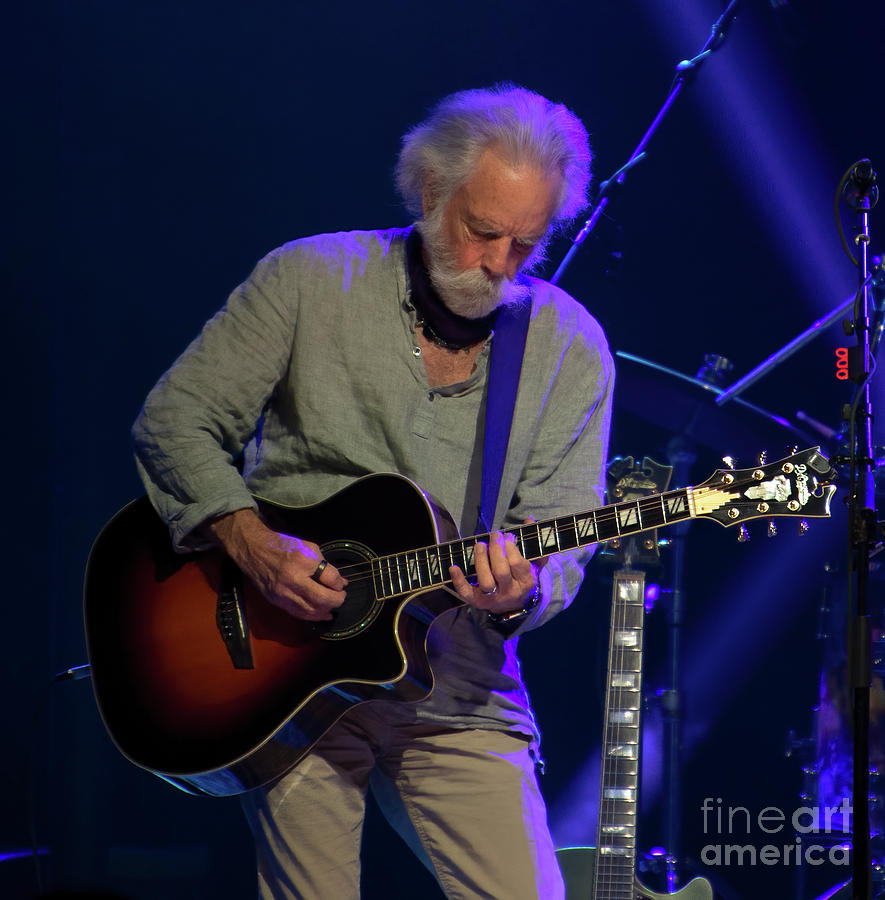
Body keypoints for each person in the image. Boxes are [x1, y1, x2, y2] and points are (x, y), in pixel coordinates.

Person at [132, 83, 614, 900]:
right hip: (287, 669)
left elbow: (565, 532)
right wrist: (251, 542)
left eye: (525, 245)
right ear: (429, 192)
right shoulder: (308, 279)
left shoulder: (570, 345)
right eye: (484, 232)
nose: (500, 265)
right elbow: (174, 421)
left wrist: (517, 594)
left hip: (461, 689)